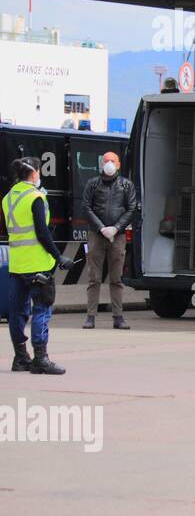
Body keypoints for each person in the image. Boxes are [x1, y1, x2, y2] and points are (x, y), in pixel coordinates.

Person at [6, 157, 74, 374]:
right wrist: (59, 257)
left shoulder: (8, 198)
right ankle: (40, 359)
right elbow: (42, 233)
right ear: (34, 173)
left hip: (17, 264)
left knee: (17, 313)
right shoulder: (36, 197)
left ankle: (20, 358)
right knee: (42, 309)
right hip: (37, 264)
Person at [82, 150, 139, 330]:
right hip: (96, 235)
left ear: (119, 165)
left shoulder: (126, 185)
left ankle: (118, 317)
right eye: (106, 160)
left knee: (116, 278)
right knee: (94, 278)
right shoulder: (92, 184)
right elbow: (86, 207)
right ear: (101, 164)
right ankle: (90, 316)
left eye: (113, 161)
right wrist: (101, 228)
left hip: (118, 236)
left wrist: (116, 228)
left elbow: (131, 209)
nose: (109, 164)